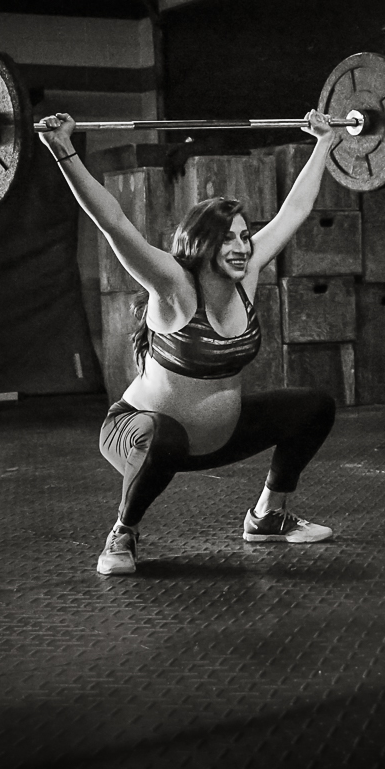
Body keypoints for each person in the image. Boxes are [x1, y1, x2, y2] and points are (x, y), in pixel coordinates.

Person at [38, 110, 342, 576]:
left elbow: (294, 211)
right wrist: (64, 150)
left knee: (314, 406)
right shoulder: (173, 285)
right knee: (166, 436)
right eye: (229, 240)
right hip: (140, 436)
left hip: (216, 438)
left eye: (244, 237)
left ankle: (268, 516)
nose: (242, 247)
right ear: (203, 244)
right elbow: (114, 221)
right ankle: (123, 532)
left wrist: (324, 143)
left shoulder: (249, 272)